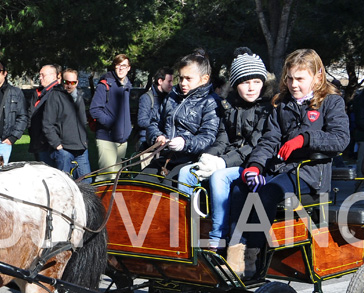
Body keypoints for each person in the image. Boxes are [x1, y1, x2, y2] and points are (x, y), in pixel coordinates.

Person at [226, 48, 349, 278]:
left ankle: (253, 261)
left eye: (300, 79)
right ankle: (234, 257)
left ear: (318, 77)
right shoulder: (282, 104)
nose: (294, 84)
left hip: (310, 174)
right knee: (239, 188)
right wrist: (255, 166)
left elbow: (340, 139)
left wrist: (305, 139)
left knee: (268, 193)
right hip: (281, 169)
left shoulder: (331, 102)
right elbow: (269, 140)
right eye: (290, 78)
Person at [191, 48, 272, 249]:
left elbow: (256, 144)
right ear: (236, 85)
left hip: (253, 164)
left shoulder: (268, 108)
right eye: (245, 82)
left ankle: (218, 237)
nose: (252, 88)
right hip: (232, 159)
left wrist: (223, 162)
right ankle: (187, 233)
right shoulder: (230, 106)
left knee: (220, 177)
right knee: (188, 171)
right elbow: (223, 138)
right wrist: (208, 157)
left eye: (256, 81)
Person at [146, 51, 220, 183]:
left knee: (168, 194)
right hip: (164, 157)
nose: (183, 83)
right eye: (180, 78)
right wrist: (157, 136)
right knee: (137, 185)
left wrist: (185, 143)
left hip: (191, 161)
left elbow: (208, 137)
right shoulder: (171, 97)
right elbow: (155, 123)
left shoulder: (211, 102)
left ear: (204, 79)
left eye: (188, 78)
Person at [33, 64, 90, 180]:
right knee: (65, 184)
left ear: (77, 82)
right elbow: (47, 124)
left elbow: (83, 121)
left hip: (81, 149)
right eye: (67, 82)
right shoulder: (55, 96)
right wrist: (58, 146)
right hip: (64, 150)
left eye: (73, 82)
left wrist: (85, 141)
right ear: (61, 81)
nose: (69, 85)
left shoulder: (79, 96)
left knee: (87, 182)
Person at [90, 54, 133, 177]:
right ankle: (97, 197)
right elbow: (94, 110)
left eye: (124, 66)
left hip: (122, 141)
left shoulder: (127, 85)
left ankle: (116, 197)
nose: (121, 69)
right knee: (106, 178)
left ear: (129, 68)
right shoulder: (105, 85)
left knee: (117, 179)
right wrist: (113, 124)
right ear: (114, 67)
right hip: (107, 139)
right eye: (118, 65)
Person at [136, 67, 173, 169]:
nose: (171, 85)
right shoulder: (147, 98)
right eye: (169, 81)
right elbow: (141, 121)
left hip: (164, 144)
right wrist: (158, 125)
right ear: (160, 81)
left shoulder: (169, 99)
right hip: (148, 145)